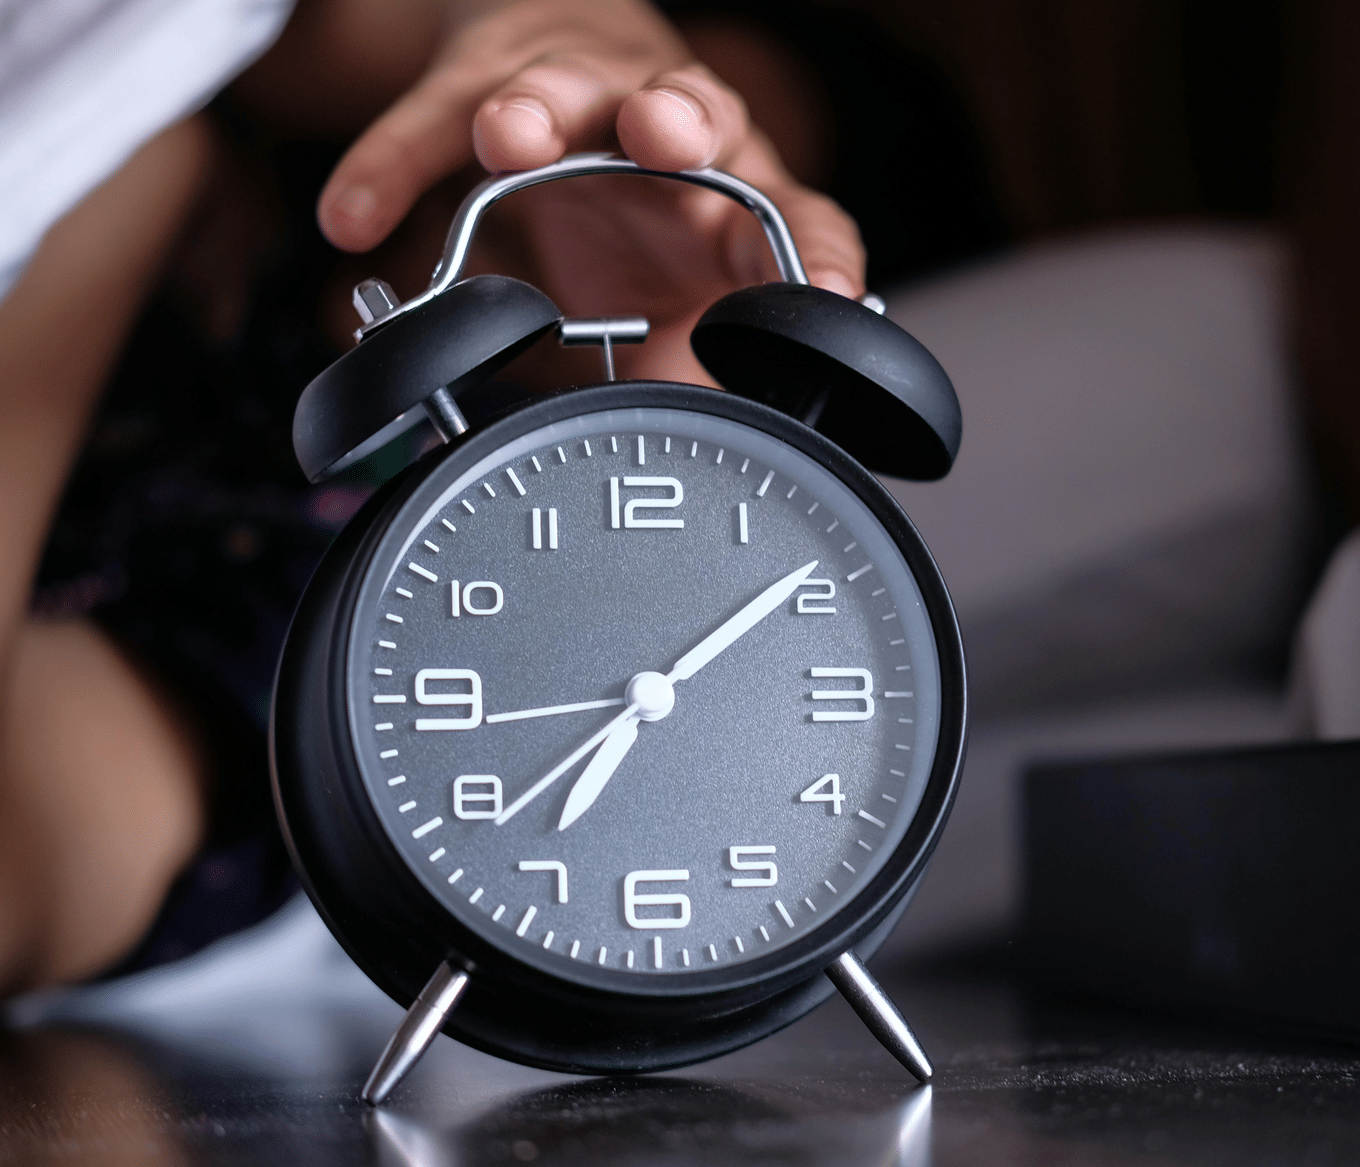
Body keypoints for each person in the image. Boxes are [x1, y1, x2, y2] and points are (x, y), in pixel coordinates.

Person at [0, 0, 864, 995]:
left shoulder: (372, 655)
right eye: (621, 139)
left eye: (724, 230)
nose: (623, 193)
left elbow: (32, 851)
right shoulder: (265, 172)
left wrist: (118, 202)